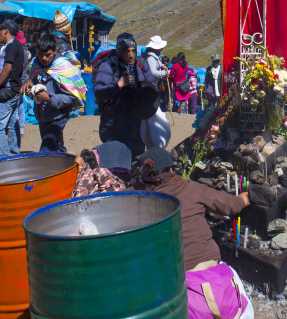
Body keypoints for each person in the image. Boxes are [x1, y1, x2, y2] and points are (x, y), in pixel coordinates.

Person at [130, 149, 253, 318]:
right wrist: (241, 200)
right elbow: (228, 205)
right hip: (219, 288)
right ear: (171, 170)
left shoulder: (135, 198)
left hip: (177, 287)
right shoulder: (190, 187)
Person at [94, 32, 158, 157]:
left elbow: (152, 85)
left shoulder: (141, 64)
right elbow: (98, 91)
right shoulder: (108, 66)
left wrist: (147, 94)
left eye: (133, 51)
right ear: (119, 51)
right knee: (117, 157)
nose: (131, 55)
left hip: (137, 120)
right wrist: (118, 86)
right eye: (127, 51)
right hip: (114, 122)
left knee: (136, 154)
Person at [26, 33, 86, 152]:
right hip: (42, 116)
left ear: (54, 51)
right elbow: (31, 77)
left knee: (47, 147)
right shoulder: (35, 64)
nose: (44, 58)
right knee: (57, 147)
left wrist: (48, 98)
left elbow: (70, 97)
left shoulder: (63, 68)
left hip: (58, 116)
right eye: (41, 54)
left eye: (47, 55)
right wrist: (28, 82)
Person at [0, 19, 24, 156]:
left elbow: (7, 68)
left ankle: (4, 157)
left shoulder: (11, 45)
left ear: (6, 31)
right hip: (14, 90)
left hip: (8, 90)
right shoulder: (17, 45)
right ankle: (14, 153)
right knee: (11, 123)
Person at [144, 35, 169, 110]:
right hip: (151, 85)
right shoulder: (151, 58)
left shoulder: (155, 57)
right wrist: (164, 73)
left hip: (154, 85)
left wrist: (162, 66)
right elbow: (153, 72)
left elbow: (158, 64)